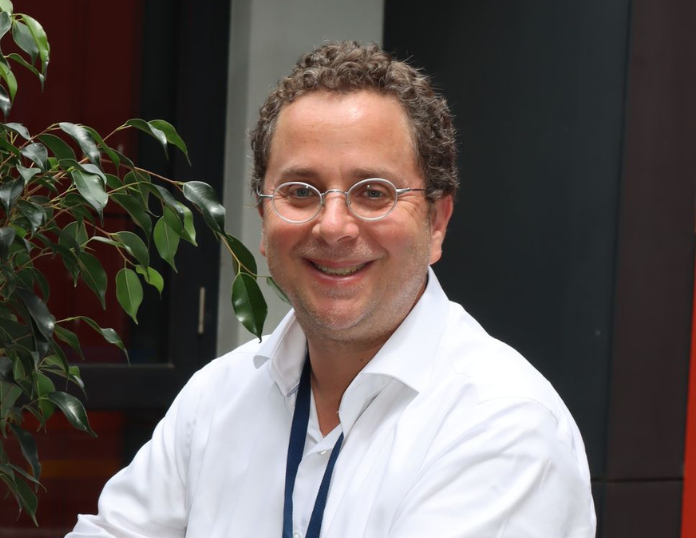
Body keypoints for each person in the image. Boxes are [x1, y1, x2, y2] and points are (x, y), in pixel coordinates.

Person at [67, 41, 596, 538]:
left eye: (373, 192)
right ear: (263, 220)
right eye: (301, 192)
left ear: (436, 222)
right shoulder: (216, 399)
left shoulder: (503, 424)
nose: (334, 226)